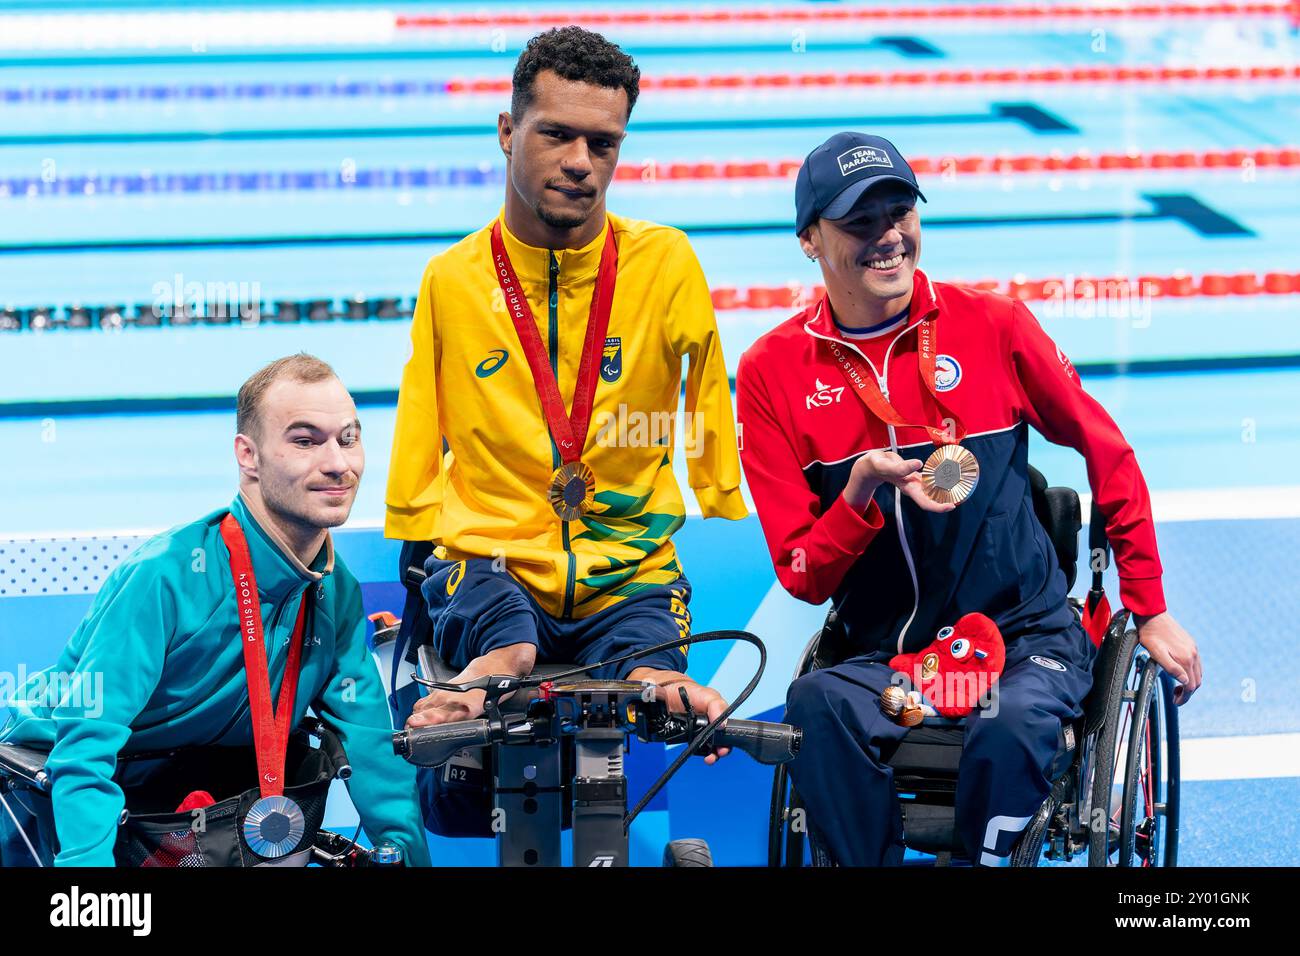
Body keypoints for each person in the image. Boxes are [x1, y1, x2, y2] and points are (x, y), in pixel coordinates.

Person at [734, 132, 1203, 866]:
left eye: (900, 210)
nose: (889, 236)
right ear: (809, 240)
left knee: (1010, 722)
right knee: (817, 706)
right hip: (888, 655)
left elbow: (1107, 449)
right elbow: (803, 573)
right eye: (861, 221)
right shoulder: (772, 372)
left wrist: (1150, 604)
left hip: (1024, 642)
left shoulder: (994, 325)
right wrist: (858, 493)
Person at [385, 26, 745, 767]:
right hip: (492, 556)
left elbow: (708, 389)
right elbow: (421, 426)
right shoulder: (452, 280)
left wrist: (716, 486)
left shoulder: (666, 263)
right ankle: (483, 678)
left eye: (603, 143)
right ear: (507, 132)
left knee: (645, 673)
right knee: (508, 641)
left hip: (629, 561)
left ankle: (663, 678)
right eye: (556, 135)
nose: (581, 163)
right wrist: (415, 520)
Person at [0, 354, 430, 867]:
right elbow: (82, 754)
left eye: (348, 438)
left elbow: (372, 750)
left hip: (182, 805)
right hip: (39, 792)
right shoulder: (166, 576)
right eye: (305, 440)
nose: (338, 463)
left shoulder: (335, 592)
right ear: (247, 456)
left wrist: (404, 855)